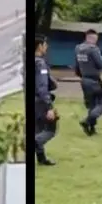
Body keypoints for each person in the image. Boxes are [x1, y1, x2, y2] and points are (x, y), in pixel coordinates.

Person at [75, 29, 102, 136]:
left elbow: (76, 67)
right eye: (95, 39)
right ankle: (87, 121)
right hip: (94, 80)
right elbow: (101, 64)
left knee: (92, 105)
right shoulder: (93, 49)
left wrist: (82, 75)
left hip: (84, 80)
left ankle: (91, 130)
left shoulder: (78, 48)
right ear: (93, 38)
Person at [33, 34, 59, 166]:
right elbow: (42, 87)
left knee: (38, 129)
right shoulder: (40, 63)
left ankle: (41, 158)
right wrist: (49, 106)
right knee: (50, 129)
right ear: (39, 46)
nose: (46, 47)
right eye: (45, 44)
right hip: (40, 101)